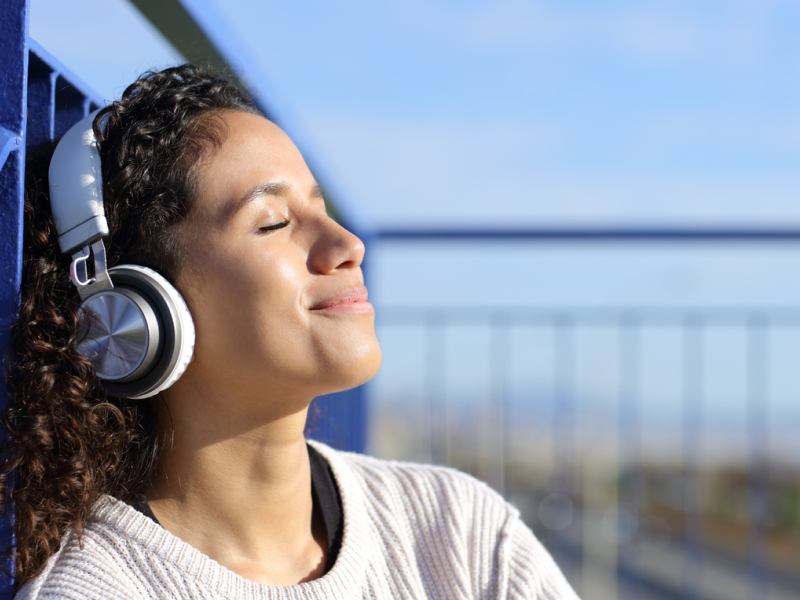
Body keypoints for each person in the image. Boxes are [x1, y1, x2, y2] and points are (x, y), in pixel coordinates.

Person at [3, 65, 579, 599]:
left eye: (321, 208)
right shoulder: (96, 590)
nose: (348, 246)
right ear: (131, 310)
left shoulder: (461, 535)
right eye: (273, 222)